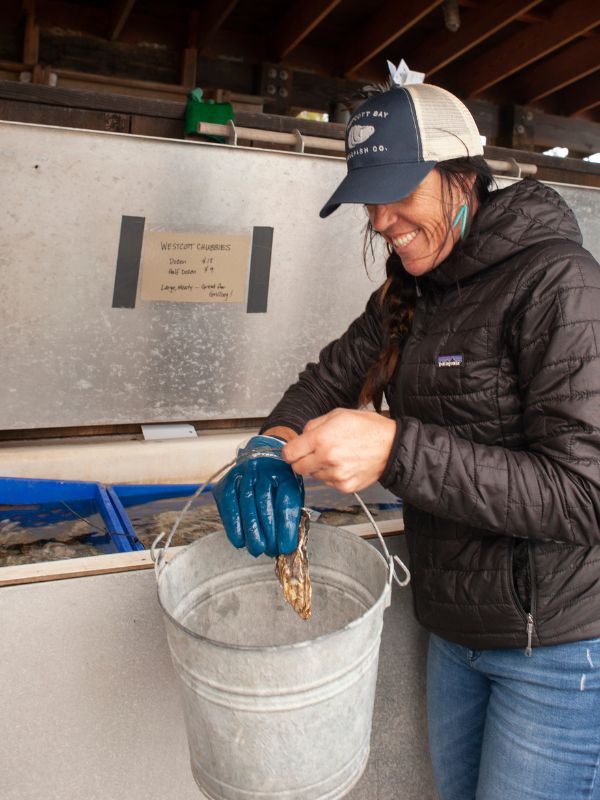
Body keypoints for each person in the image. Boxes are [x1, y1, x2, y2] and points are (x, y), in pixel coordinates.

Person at [213, 82, 600, 799]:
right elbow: (323, 381)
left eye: (397, 192)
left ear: (462, 176)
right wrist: (269, 446)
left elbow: (584, 496)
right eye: (368, 197)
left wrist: (396, 449)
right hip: (455, 633)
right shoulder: (410, 294)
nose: (381, 219)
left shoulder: (559, 285)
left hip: (560, 650)